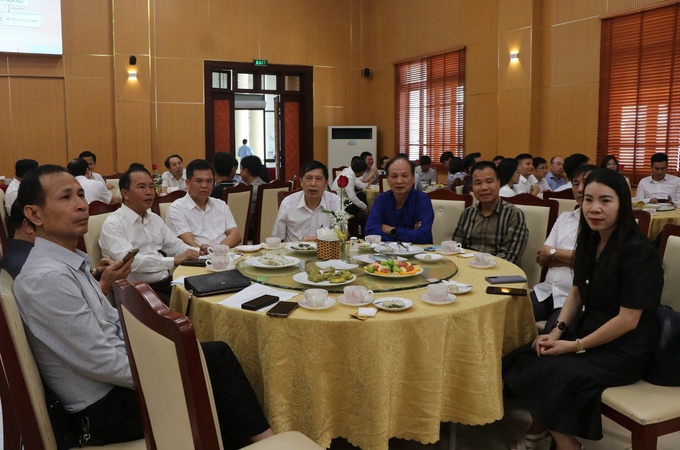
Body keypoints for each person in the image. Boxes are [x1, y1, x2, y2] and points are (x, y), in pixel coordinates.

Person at [12, 164, 274, 448]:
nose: (81, 205)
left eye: (81, 195)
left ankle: (250, 441)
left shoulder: (66, 263)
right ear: (34, 214)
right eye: (66, 197)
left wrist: (162, 350)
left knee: (210, 358)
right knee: (215, 363)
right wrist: (165, 367)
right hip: (102, 408)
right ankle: (266, 442)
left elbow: (110, 321)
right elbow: (101, 362)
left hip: (114, 383)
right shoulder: (48, 278)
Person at [503, 168, 662, 450]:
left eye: (605, 200)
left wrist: (573, 346)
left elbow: (627, 320)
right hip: (588, 330)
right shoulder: (591, 240)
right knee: (523, 357)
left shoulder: (638, 252)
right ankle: (542, 431)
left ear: (622, 204)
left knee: (549, 371)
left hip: (624, 348)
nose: (594, 208)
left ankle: (567, 444)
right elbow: (576, 292)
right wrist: (556, 332)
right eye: (588, 200)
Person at [99, 166, 200, 302]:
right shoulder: (113, 224)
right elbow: (131, 262)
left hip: (165, 282)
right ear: (125, 193)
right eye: (142, 187)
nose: (149, 192)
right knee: (187, 307)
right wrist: (174, 261)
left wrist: (199, 252)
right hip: (134, 290)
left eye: (151, 187)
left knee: (203, 294)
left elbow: (175, 246)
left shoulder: (154, 219)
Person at [532, 164, 597, 331]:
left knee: (550, 334)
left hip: (575, 299)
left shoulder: (601, 222)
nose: (580, 189)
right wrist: (574, 260)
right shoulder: (564, 218)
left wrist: (553, 253)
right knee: (509, 319)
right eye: (575, 184)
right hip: (546, 291)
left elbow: (592, 262)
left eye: (586, 183)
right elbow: (542, 257)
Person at [452, 161, 528, 265]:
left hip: (500, 272)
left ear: (498, 183)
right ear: (472, 187)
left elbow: (510, 258)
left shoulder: (514, 215)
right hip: (468, 269)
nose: (484, 187)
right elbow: (455, 249)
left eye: (489, 181)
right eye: (478, 183)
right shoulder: (467, 213)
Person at [166, 159, 241, 251]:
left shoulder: (220, 204)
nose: (204, 186)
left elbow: (236, 235)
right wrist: (210, 253)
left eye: (209, 181)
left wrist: (216, 252)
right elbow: (188, 242)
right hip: (196, 257)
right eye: (199, 181)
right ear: (188, 183)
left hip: (222, 255)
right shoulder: (176, 209)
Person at [364, 155, 434, 244]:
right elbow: (370, 231)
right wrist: (411, 233)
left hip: (417, 251)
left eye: (404, 176)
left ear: (413, 178)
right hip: (386, 251)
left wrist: (392, 230)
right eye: (394, 176)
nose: (399, 181)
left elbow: (424, 236)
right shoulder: (381, 199)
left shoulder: (422, 199)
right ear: (387, 179)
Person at [272, 161, 341, 242]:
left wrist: (307, 239)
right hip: (293, 249)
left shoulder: (335, 201)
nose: (313, 184)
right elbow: (278, 238)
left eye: (318, 179)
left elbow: (342, 233)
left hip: (324, 249)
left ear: (326, 183)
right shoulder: (288, 203)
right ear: (301, 181)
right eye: (308, 178)